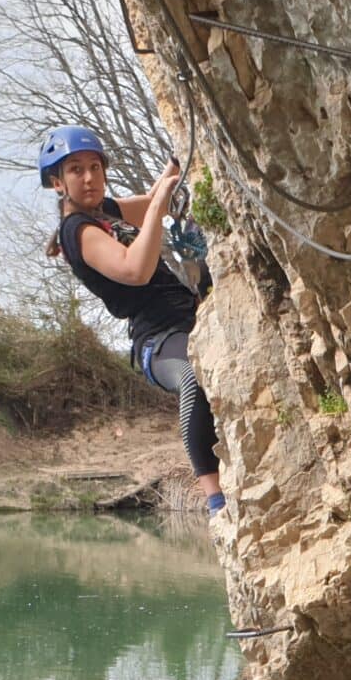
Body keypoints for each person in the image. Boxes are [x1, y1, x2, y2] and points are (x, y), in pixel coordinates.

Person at [39, 124, 223, 512]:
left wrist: (178, 159)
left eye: (94, 167)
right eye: (75, 170)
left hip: (187, 315)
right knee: (193, 378)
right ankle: (215, 497)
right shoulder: (77, 231)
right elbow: (134, 269)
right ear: (58, 183)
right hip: (157, 341)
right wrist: (158, 210)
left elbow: (159, 196)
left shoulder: (105, 211)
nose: (89, 177)